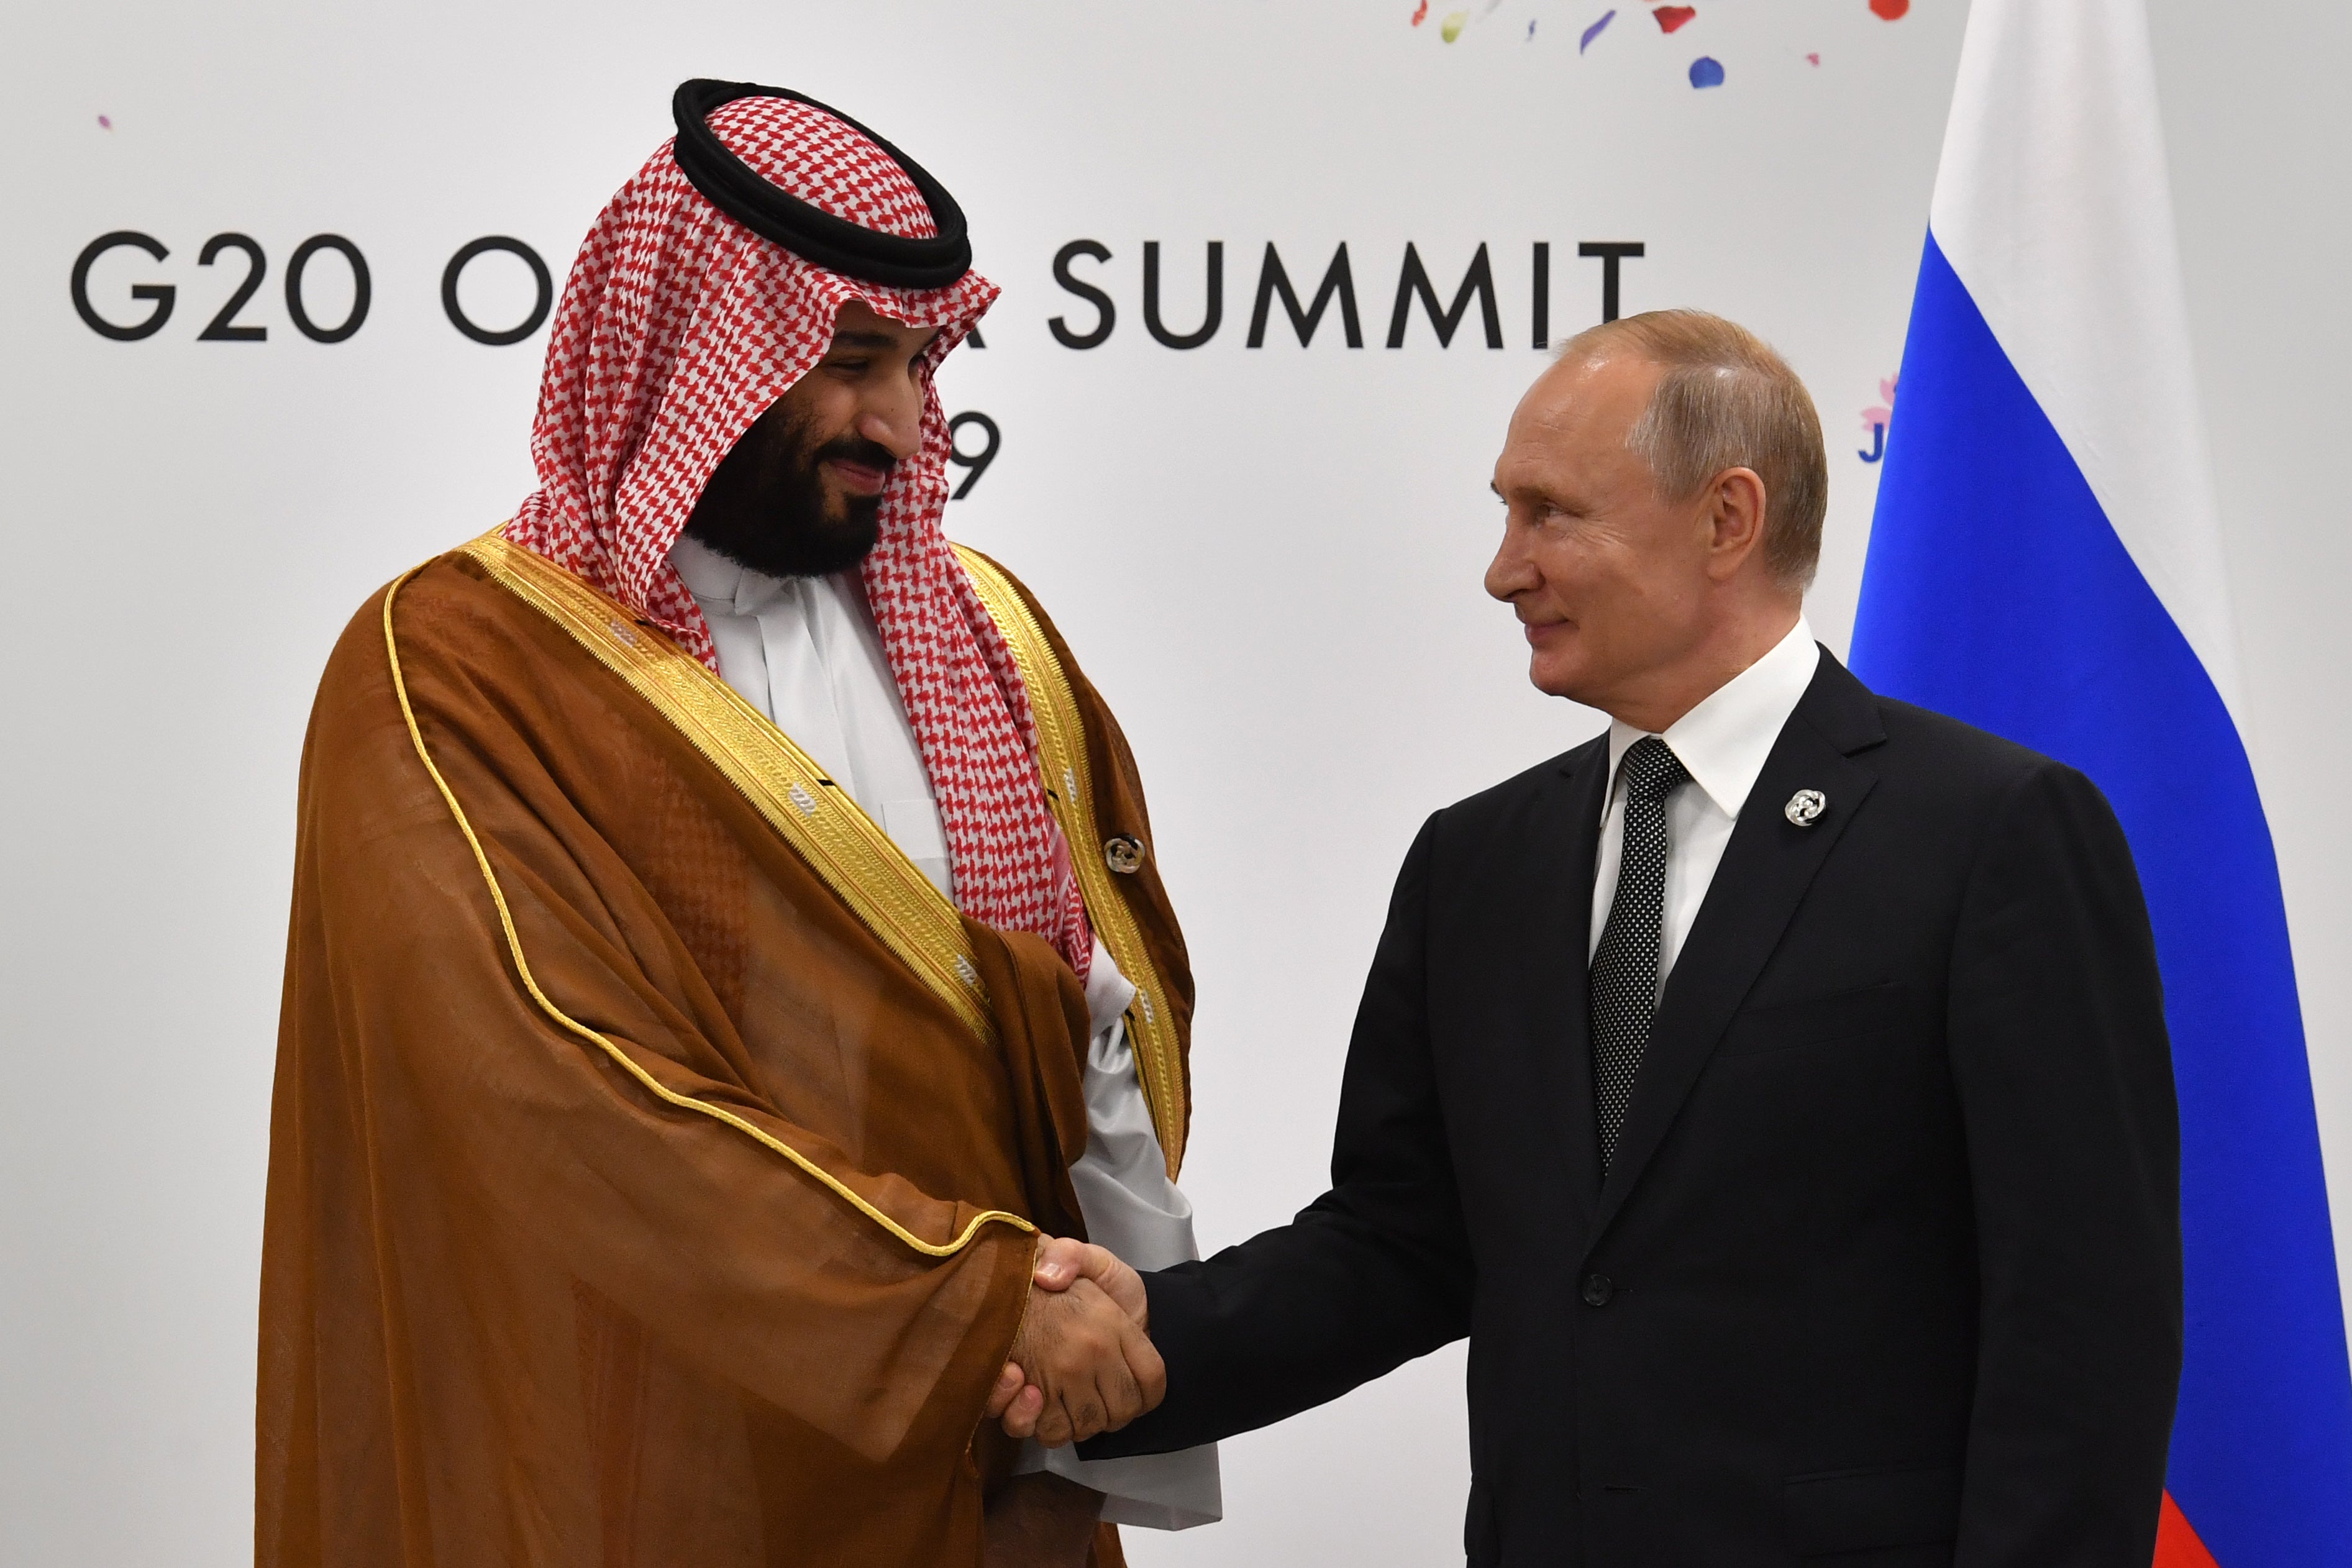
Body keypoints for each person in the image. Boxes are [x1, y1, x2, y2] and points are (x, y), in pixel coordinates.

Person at [258, 81, 1216, 1568]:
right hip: (632, 1472)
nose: (898, 420)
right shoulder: (451, 663)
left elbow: (1099, 1041)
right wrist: (969, 1302)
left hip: (984, 1485)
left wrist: (1085, 1439)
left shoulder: (994, 644)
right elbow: (556, 1086)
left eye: (920, 362)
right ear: (694, 347)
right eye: (848, 361)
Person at [1048, 310, 2184, 1565]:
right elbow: (1404, 1240)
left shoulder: (1992, 835)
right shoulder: (1476, 862)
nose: (1503, 567)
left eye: (1553, 513)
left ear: (1727, 519)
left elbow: (2082, 1328)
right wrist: (1153, 1331)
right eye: (1506, 512)